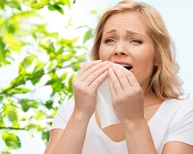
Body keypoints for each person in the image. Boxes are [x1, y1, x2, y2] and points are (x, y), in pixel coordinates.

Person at [44, 0, 193, 154]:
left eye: (135, 40)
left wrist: (134, 120)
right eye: (110, 40)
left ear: (157, 56)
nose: (119, 49)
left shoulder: (182, 113)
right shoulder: (72, 108)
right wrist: (80, 114)